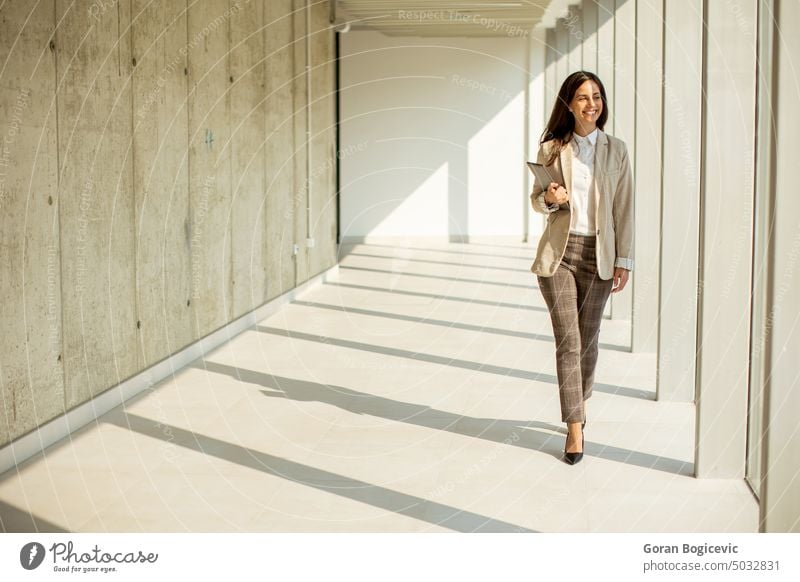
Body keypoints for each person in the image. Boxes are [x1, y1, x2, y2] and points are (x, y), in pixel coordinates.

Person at [529, 71, 634, 465]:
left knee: (588, 342)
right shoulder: (553, 148)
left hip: (600, 256)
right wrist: (551, 197)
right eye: (582, 97)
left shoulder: (616, 150)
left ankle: (580, 400)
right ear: (569, 104)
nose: (591, 104)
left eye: (597, 97)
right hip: (560, 254)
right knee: (569, 341)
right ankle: (574, 427)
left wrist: (625, 259)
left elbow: (624, 208)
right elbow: (537, 202)